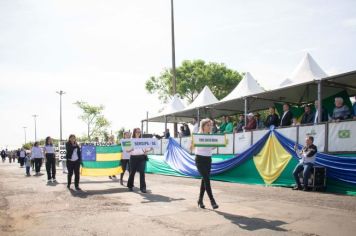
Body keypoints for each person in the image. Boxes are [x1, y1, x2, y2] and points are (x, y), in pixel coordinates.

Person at [194, 118, 219, 209]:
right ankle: (212, 200)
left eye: (210, 125)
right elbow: (195, 147)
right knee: (207, 179)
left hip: (208, 159)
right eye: (208, 125)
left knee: (204, 180)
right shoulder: (198, 136)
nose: (210, 127)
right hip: (200, 159)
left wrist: (216, 145)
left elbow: (210, 148)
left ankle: (200, 200)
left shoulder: (211, 136)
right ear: (203, 126)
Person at [127, 128, 152, 193]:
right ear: (134, 133)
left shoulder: (143, 140)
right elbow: (127, 150)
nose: (138, 133)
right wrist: (131, 149)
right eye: (137, 132)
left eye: (139, 132)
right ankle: (130, 186)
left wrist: (150, 148)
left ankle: (143, 188)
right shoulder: (130, 140)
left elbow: (146, 149)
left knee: (142, 172)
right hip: (133, 158)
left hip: (142, 158)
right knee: (132, 172)